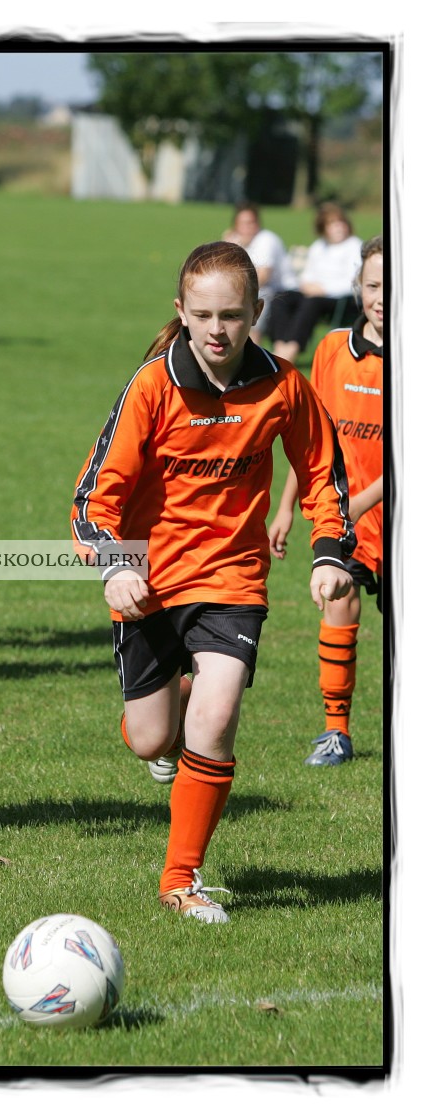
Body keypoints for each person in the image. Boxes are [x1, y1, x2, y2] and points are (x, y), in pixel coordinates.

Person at [71, 241, 355, 923]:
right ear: (181, 312)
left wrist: (325, 554)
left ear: (257, 310)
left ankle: (180, 879)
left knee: (218, 716)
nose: (218, 330)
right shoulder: (151, 386)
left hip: (231, 578)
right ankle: (171, 715)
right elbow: (91, 501)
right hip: (149, 582)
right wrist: (113, 566)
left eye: (232, 314)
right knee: (148, 737)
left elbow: (323, 476)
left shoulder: (283, 385)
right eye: (203, 315)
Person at [268, 235, 384, 766]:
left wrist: (359, 504)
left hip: (381, 513)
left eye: (394, 285)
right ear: (357, 288)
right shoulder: (335, 348)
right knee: (339, 598)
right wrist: (287, 506)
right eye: (373, 285)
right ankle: (336, 731)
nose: (382, 296)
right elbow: (312, 440)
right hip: (347, 515)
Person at [268, 203, 363, 365]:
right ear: (324, 227)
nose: (338, 227)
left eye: (340, 222)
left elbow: (354, 281)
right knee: (281, 298)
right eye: (332, 224)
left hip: (340, 299)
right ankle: (280, 345)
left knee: (311, 303)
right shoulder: (319, 247)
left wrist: (323, 289)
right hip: (314, 293)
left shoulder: (355, 245)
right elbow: (308, 274)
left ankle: (292, 348)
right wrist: (307, 285)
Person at [222, 202, 297, 345]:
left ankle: (252, 353)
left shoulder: (266, 240)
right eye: (243, 223)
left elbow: (262, 277)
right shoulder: (237, 241)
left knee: (254, 305)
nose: (248, 227)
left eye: (252, 222)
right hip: (253, 289)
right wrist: (229, 248)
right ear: (235, 226)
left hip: (282, 291)